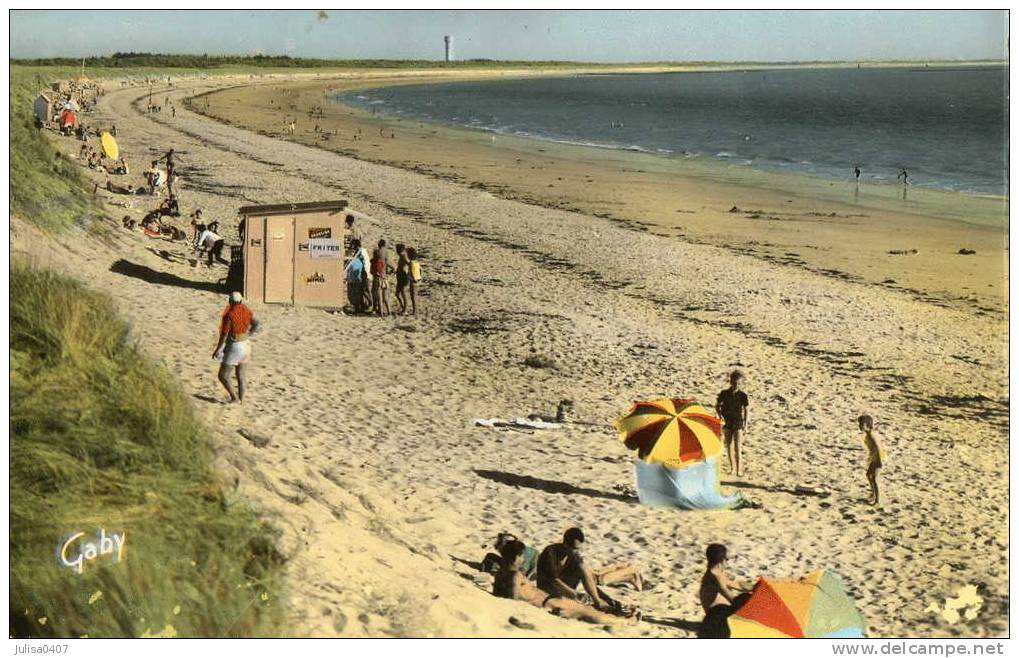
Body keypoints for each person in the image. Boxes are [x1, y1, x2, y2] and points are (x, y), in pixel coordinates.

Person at [495, 541, 638, 626]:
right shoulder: (514, 576)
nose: (523, 560)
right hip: (548, 604)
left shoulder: (502, 574)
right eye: (522, 557)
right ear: (515, 557)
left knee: (587, 610)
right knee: (587, 613)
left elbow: (498, 594)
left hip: (550, 601)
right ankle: (626, 622)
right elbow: (512, 604)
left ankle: (620, 617)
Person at [536, 528, 643, 612]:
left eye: (577, 549)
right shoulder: (551, 552)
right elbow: (553, 579)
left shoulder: (572, 555)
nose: (575, 551)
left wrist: (602, 598)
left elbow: (586, 576)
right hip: (547, 589)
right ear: (565, 543)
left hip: (565, 587)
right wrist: (574, 594)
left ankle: (603, 602)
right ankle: (598, 603)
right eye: (573, 548)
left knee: (582, 567)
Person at [212, 292, 259, 403]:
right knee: (241, 376)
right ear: (240, 301)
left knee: (223, 375)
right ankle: (242, 400)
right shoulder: (246, 310)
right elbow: (256, 323)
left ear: (231, 302)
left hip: (235, 346)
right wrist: (250, 333)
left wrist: (218, 349)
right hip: (246, 344)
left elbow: (223, 335)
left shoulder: (229, 315)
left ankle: (234, 398)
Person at [697, 544, 750, 638]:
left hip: (719, 611)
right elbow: (727, 593)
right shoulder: (715, 575)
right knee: (745, 599)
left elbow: (734, 584)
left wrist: (754, 587)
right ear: (722, 559)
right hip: (716, 614)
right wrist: (744, 604)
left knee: (746, 597)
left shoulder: (716, 572)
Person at [715, 370, 749, 477]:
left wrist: (745, 424)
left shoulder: (743, 395)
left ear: (741, 383)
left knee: (738, 447)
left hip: (738, 422)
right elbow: (717, 405)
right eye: (734, 383)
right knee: (729, 446)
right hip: (727, 422)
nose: (736, 385)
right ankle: (732, 468)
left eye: (738, 383)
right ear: (730, 382)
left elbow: (746, 410)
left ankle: (739, 469)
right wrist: (720, 416)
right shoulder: (724, 393)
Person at [858, 415, 885, 505]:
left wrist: (879, 461)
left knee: (874, 479)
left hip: (879, 458)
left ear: (867, 425)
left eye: (862, 424)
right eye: (859, 424)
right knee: (868, 475)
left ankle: (877, 500)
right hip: (874, 458)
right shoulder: (869, 433)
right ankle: (873, 494)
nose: (860, 426)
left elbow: (878, 448)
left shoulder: (871, 435)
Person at [344, 239, 368, 313]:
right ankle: (358, 307)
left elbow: (365, 263)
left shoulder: (361, 252)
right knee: (352, 294)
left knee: (357, 294)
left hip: (357, 275)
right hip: (352, 275)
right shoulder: (353, 252)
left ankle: (359, 308)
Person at [370, 247, 390, 316]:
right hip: (384, 279)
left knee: (379, 298)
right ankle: (389, 311)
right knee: (385, 298)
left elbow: (371, 272)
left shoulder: (373, 262)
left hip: (377, 280)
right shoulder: (382, 262)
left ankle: (381, 313)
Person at [394, 243, 410, 314]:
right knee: (397, 294)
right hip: (400, 276)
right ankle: (403, 307)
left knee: (403, 293)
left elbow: (409, 263)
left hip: (403, 276)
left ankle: (405, 309)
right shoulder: (401, 255)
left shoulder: (404, 256)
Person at [407, 247, 421, 315]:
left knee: (413, 296)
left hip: (413, 281)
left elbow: (411, 271)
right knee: (415, 295)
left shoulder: (411, 263)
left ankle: (415, 310)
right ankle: (416, 309)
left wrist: (413, 278)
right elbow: (420, 270)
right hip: (418, 280)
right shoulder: (417, 262)